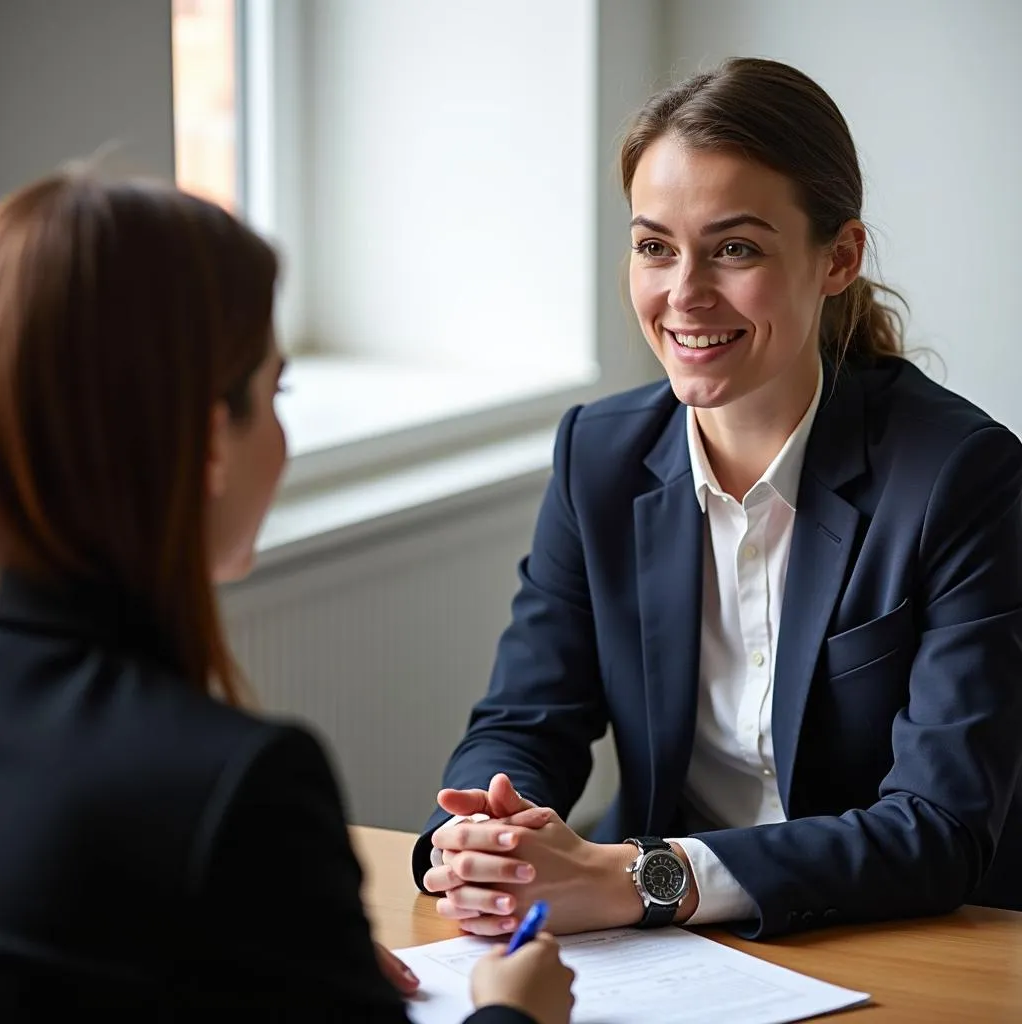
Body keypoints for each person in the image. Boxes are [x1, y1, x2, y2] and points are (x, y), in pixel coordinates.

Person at [414, 57, 1022, 941]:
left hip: (900, 936)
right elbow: (526, 719)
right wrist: (481, 837)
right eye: (655, 246)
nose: (684, 294)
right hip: (667, 946)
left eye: (734, 248)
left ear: (838, 258)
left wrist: (638, 876)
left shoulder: (963, 477)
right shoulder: (599, 454)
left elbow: (939, 828)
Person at [0, 172, 575, 1022]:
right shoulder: (236, 788)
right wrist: (514, 1010)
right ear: (210, 443)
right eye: (275, 394)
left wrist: (300, 955)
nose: (284, 438)